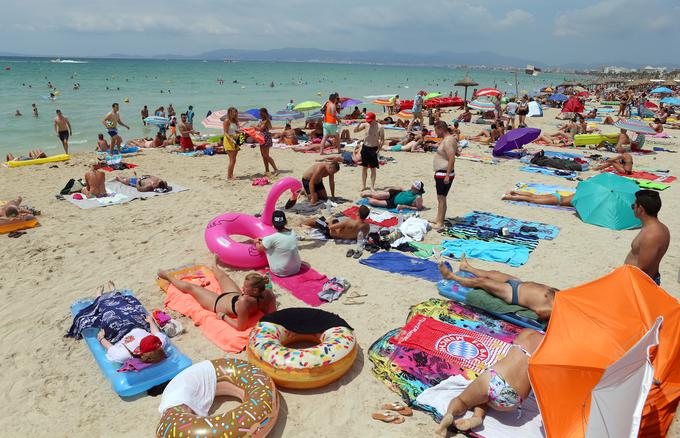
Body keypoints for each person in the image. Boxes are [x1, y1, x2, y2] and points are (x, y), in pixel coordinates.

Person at [435, 328, 544, 434]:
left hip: (495, 377)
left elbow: (514, 343)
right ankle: (477, 417)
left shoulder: (529, 332)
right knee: (484, 398)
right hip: (514, 399)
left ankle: (449, 415)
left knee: (463, 400)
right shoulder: (550, 352)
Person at [157, 266, 276, 331]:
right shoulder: (268, 293)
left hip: (217, 303)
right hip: (234, 296)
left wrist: (223, 317)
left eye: (245, 287)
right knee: (223, 277)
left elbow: (240, 327)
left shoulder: (244, 301)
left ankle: (167, 276)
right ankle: (214, 263)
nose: (243, 288)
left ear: (255, 290)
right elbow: (272, 315)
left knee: (191, 288)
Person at [439, 255, 557, 320]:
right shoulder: (562, 297)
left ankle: (451, 277)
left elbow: (540, 313)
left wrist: (551, 307)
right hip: (519, 283)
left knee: (482, 281)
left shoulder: (553, 310)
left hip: (512, 293)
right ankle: (467, 268)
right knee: (493, 273)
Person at [625, 190, 670, 285]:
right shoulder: (661, 228)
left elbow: (642, 270)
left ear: (640, 208)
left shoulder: (652, 235)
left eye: (633, 206)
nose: (633, 209)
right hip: (643, 281)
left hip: (640, 284)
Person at [254, 211, 301, 277]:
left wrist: (256, 241)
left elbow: (259, 249)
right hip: (296, 268)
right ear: (286, 222)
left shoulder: (271, 238)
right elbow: (281, 238)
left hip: (281, 271)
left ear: (273, 223)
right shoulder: (293, 233)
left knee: (267, 247)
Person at [433, 121, 458, 229]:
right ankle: (438, 219)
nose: (435, 133)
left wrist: (447, 175)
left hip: (444, 173)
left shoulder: (448, 140)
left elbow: (452, 158)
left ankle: (440, 223)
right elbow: (455, 153)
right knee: (441, 198)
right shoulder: (451, 139)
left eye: (436, 130)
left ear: (440, 128)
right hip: (443, 173)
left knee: (441, 198)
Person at [353, 112, 384, 191]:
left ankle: (372, 187)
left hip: (374, 149)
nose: (369, 122)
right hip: (365, 148)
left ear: (374, 119)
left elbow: (382, 139)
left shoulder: (380, 127)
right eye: (368, 120)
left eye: (370, 121)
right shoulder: (366, 125)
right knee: (364, 168)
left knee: (373, 169)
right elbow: (355, 131)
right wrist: (359, 122)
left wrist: (378, 150)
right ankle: (363, 186)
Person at [304, 205, 370, 240]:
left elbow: (330, 227)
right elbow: (361, 237)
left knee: (317, 220)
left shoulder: (348, 221)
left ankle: (303, 224)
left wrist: (329, 221)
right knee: (336, 221)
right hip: (348, 237)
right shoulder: (367, 226)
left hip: (332, 234)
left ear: (357, 213)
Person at [360, 180, 425, 211]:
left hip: (393, 203)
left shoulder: (418, 197)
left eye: (413, 187)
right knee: (377, 195)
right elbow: (401, 188)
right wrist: (391, 188)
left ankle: (369, 197)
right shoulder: (411, 190)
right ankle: (371, 193)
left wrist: (405, 206)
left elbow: (418, 208)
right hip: (395, 194)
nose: (411, 188)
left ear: (417, 190)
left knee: (372, 202)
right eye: (412, 186)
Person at [256, 108, 279, 176]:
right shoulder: (262, 121)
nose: (259, 114)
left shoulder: (266, 120)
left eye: (260, 113)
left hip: (266, 138)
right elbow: (258, 128)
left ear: (264, 113)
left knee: (266, 155)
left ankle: (276, 169)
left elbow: (260, 129)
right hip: (261, 138)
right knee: (263, 155)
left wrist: (255, 126)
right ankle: (267, 170)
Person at [222, 107, 241, 180]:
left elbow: (236, 131)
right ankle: (229, 176)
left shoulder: (235, 121)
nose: (235, 113)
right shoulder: (227, 121)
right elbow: (225, 132)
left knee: (234, 159)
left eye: (236, 112)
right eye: (233, 112)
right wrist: (230, 139)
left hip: (236, 140)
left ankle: (231, 175)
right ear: (229, 113)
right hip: (229, 140)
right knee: (232, 159)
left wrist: (242, 131)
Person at [502, 190, 574, 207]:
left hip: (558, 196)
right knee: (532, 200)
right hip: (557, 200)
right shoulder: (581, 203)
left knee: (534, 196)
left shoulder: (579, 195)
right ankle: (509, 197)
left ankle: (514, 192)